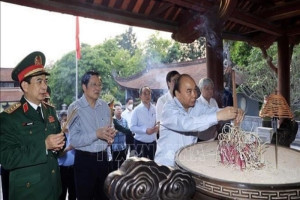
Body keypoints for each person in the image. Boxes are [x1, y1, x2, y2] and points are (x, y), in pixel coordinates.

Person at [0, 51, 65, 200]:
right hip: (29, 193)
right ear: (25, 85)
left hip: (54, 189)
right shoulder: (9, 117)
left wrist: (60, 143)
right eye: (39, 81)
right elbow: (7, 158)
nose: (44, 86)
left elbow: (58, 139)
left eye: (45, 81)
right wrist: (44, 145)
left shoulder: (50, 110)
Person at [154, 74, 244, 167]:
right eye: (189, 91)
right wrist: (218, 115)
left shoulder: (196, 106)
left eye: (195, 90)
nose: (194, 95)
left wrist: (232, 112)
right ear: (177, 93)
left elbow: (212, 111)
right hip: (167, 166)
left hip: (186, 164)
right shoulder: (168, 109)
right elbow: (187, 124)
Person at [68, 70, 116, 200]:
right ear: (84, 87)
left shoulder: (105, 107)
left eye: (99, 84)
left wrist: (110, 135)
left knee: (105, 196)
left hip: (103, 159)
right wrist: (96, 134)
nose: (98, 88)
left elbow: (109, 129)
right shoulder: (74, 108)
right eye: (94, 84)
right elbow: (74, 140)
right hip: (84, 161)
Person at [130, 86, 159, 160]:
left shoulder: (155, 109)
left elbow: (158, 121)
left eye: (149, 93)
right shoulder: (136, 110)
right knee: (141, 167)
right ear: (140, 96)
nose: (147, 96)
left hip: (153, 142)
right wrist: (145, 130)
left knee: (153, 166)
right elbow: (132, 127)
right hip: (140, 143)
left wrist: (157, 126)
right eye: (145, 94)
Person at [58, 110, 76, 200]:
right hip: (62, 170)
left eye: (67, 120)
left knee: (73, 193)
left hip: (74, 168)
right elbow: (58, 154)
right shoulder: (58, 135)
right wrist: (68, 148)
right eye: (64, 120)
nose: (66, 123)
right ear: (60, 121)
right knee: (62, 194)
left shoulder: (74, 134)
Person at [111, 103, 132, 170]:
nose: (119, 110)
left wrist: (117, 130)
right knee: (114, 167)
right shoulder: (111, 121)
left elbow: (127, 131)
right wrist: (118, 131)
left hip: (123, 147)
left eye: (120, 109)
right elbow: (112, 132)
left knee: (122, 167)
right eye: (117, 109)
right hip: (114, 148)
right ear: (114, 111)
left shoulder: (125, 121)